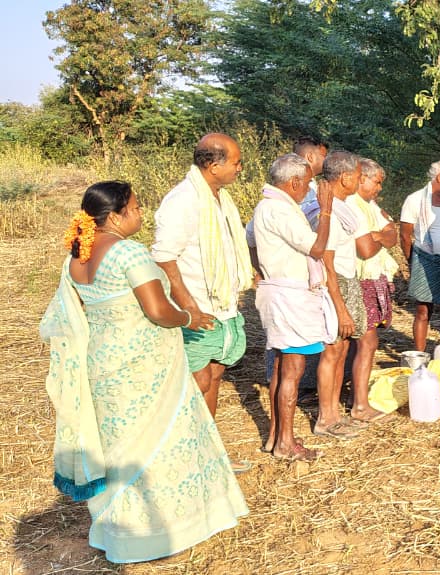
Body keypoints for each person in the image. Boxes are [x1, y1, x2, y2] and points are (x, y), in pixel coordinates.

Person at [41, 181, 248, 563]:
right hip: (143, 364)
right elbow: (157, 310)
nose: (141, 213)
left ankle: (117, 530)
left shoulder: (77, 257)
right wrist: (188, 317)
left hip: (102, 361)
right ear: (115, 216)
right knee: (158, 443)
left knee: (118, 444)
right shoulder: (128, 252)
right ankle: (159, 533)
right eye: (136, 208)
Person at [152, 133, 252, 427]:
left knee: (214, 374)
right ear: (213, 166)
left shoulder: (220, 198)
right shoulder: (183, 200)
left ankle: (207, 445)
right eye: (236, 162)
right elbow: (163, 258)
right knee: (198, 380)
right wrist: (189, 308)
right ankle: (187, 445)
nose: (240, 168)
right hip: (195, 309)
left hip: (221, 308)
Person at [250, 154, 336, 461]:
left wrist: (262, 271)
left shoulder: (268, 206)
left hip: (281, 291)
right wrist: (326, 211)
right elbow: (317, 248)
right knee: (293, 369)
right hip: (289, 297)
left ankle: (277, 436)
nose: (311, 188)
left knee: (283, 367)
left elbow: (251, 242)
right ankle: (285, 443)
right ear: (294, 182)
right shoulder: (278, 209)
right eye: (309, 182)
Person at [306, 152, 371, 440]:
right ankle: (325, 418)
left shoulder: (340, 208)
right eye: (357, 176)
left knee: (341, 350)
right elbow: (327, 265)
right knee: (332, 352)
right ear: (344, 178)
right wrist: (341, 309)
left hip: (346, 282)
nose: (359, 180)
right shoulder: (328, 213)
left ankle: (334, 414)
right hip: (336, 286)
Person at [346, 158, 400, 424]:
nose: (379, 188)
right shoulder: (351, 205)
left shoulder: (370, 206)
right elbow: (365, 249)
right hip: (359, 280)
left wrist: (378, 234)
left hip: (372, 278)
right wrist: (379, 236)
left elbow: (392, 233)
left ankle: (356, 397)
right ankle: (359, 405)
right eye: (376, 182)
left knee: (366, 341)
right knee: (366, 342)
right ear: (362, 178)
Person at [400, 160, 440, 351]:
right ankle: (419, 355)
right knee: (423, 310)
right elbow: (405, 235)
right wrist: (412, 262)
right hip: (426, 259)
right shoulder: (415, 200)